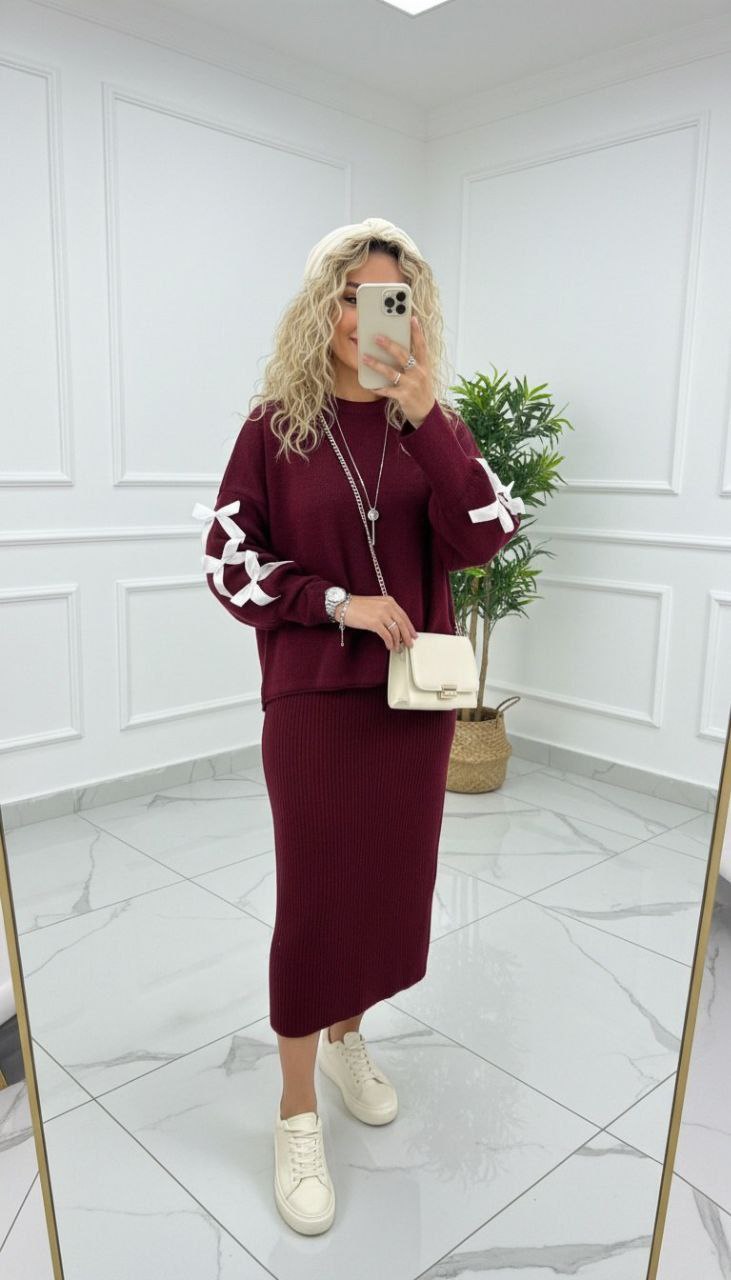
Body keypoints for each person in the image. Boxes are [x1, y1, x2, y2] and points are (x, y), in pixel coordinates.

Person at [192, 217, 524, 1236]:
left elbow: (487, 535)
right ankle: (295, 1110)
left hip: (410, 709)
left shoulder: (430, 424)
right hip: (313, 703)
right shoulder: (274, 428)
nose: (368, 316)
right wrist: (334, 601)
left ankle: (347, 1037)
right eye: (351, 297)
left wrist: (429, 419)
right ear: (320, 307)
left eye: (390, 299)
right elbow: (228, 562)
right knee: (314, 902)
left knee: (383, 890)